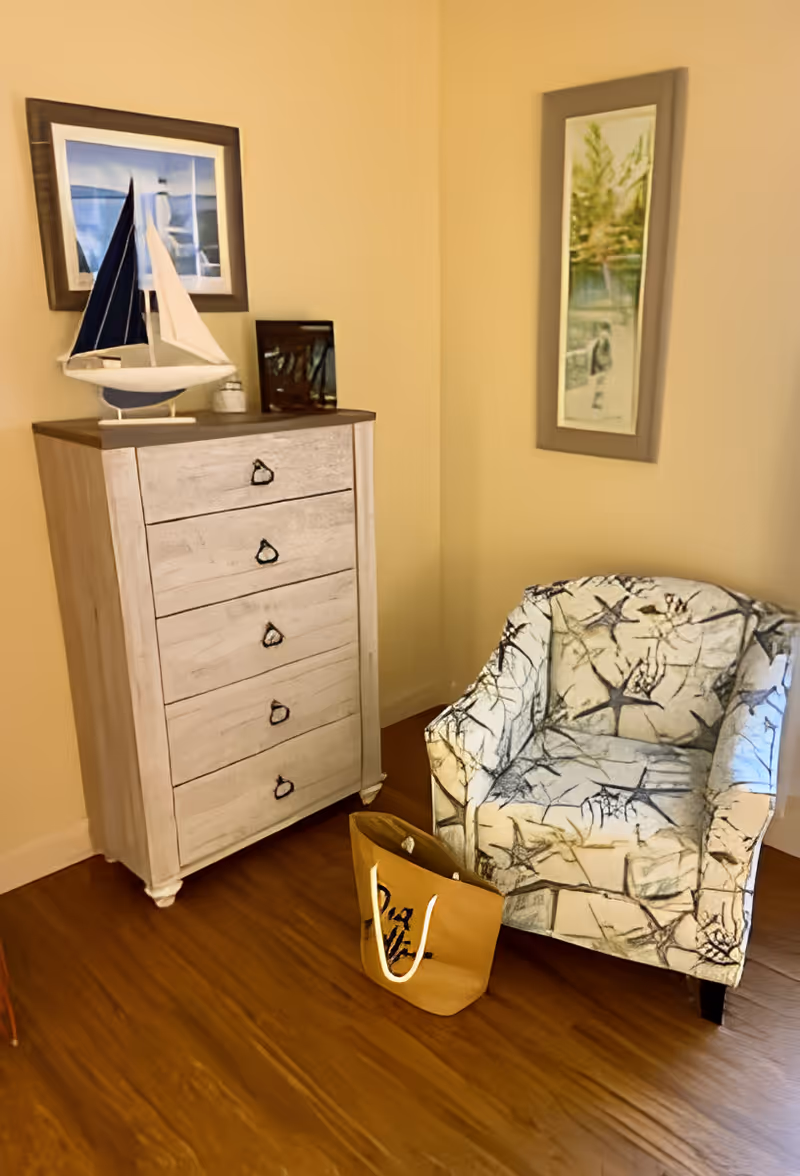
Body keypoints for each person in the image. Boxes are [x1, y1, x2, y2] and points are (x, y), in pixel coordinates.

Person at [590, 321, 613, 412]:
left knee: (600, 383)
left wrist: (600, 363)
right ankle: (597, 402)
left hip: (601, 363)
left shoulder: (603, 339)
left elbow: (601, 352)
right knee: (600, 383)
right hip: (602, 363)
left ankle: (597, 403)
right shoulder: (604, 339)